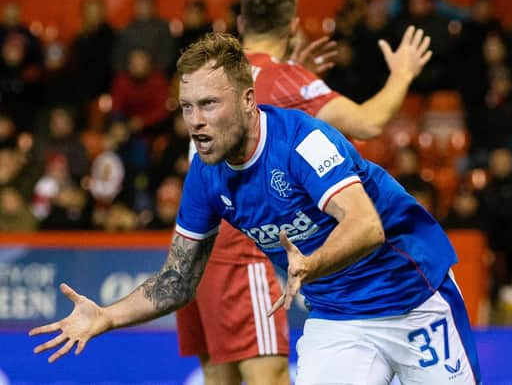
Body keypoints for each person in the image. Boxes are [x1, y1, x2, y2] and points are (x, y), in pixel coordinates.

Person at [30, 32, 481, 385]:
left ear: (247, 101)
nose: (195, 121)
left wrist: (311, 263)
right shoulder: (204, 177)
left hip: (412, 296)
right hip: (338, 318)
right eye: (187, 107)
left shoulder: (303, 141)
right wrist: (107, 316)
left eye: (209, 104)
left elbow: (366, 226)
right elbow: (178, 280)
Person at [177, 0, 434, 385]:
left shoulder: (213, 75)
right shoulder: (287, 80)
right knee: (271, 377)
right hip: (243, 248)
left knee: (218, 376)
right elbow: (368, 122)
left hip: (198, 240)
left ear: (241, 23)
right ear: (293, 26)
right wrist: (403, 73)